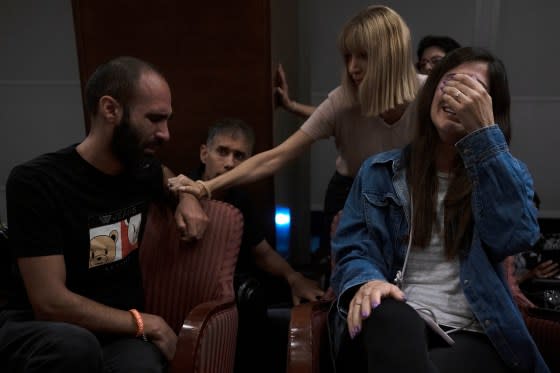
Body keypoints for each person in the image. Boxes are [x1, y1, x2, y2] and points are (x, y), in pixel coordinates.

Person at [329, 46, 549, 372]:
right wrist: (368, 280)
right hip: (391, 319)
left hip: (471, 329)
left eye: (473, 89)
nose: (457, 95)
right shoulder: (380, 172)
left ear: (491, 110)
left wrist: (484, 139)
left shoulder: (507, 174)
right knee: (387, 310)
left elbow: (513, 237)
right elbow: (352, 250)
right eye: (450, 82)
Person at [170, 5, 424, 285]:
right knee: (350, 276)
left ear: (391, 56)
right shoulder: (342, 101)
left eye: (363, 56)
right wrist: (205, 187)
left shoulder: (430, 96)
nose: (353, 67)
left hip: (409, 195)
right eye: (348, 56)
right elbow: (277, 156)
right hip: (351, 194)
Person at [0, 56, 207, 372]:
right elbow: (49, 303)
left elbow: (163, 173)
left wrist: (187, 194)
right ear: (110, 109)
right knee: (75, 347)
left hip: (116, 333)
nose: (166, 134)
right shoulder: (36, 182)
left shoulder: (142, 169)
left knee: (142, 365)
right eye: (154, 119)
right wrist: (145, 323)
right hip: (38, 328)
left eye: (168, 120)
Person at [186, 118, 324, 372]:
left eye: (239, 156)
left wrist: (293, 277)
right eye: (222, 152)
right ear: (205, 153)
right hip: (193, 284)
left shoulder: (240, 199)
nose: (229, 163)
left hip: (236, 282)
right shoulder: (184, 190)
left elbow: (261, 252)